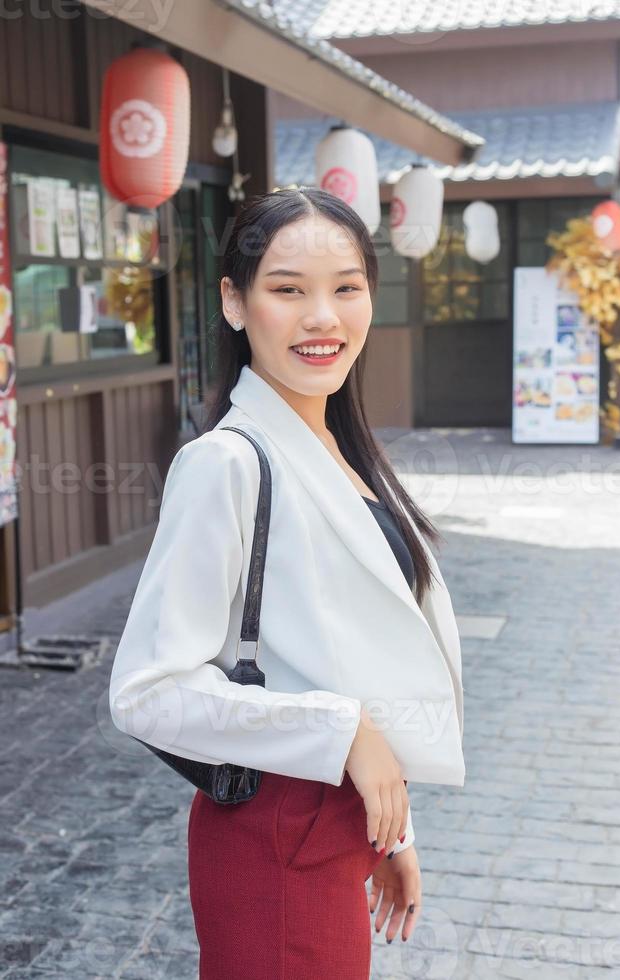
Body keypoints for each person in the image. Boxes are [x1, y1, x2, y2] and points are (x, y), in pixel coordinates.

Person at [109, 187, 465, 979]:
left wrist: (391, 830)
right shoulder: (226, 464)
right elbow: (145, 691)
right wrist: (346, 736)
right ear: (235, 302)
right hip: (274, 836)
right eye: (287, 289)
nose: (322, 318)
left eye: (345, 287)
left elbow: (345, 658)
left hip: (335, 826)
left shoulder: (341, 451)